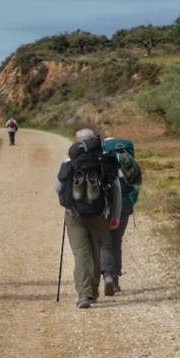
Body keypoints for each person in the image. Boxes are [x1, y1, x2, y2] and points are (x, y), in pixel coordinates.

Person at [55, 128, 121, 308]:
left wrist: (67, 202)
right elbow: (115, 189)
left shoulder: (69, 160)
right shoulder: (104, 159)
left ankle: (84, 295)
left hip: (74, 215)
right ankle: (93, 291)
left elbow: (58, 187)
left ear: (77, 141)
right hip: (99, 213)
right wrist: (114, 215)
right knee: (96, 252)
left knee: (81, 255)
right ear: (94, 140)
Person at [100, 137, 143, 296]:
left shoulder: (104, 161)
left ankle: (108, 276)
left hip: (106, 207)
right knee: (116, 242)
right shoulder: (132, 163)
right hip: (124, 208)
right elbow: (136, 188)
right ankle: (116, 282)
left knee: (105, 244)